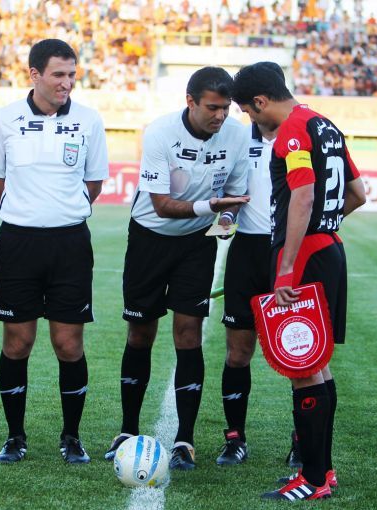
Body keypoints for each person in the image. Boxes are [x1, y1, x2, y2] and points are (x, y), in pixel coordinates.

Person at [104, 66, 251, 471]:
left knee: (189, 334)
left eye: (225, 108)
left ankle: (185, 439)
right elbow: (161, 205)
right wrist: (212, 207)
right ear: (190, 102)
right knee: (141, 331)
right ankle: (127, 430)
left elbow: (235, 196)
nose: (220, 116)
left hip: (196, 244)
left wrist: (224, 221)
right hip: (149, 236)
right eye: (212, 107)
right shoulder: (160, 133)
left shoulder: (237, 135)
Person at [232, 62, 366, 501]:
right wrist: (325, 226)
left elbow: (303, 195)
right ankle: (322, 471)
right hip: (329, 248)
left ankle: (311, 478)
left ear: (260, 101)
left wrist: (287, 266)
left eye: (249, 113)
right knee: (318, 365)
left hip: (305, 256)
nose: (253, 121)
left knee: (303, 367)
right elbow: (358, 194)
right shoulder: (325, 125)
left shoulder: (292, 131)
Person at [0, 38, 109, 464]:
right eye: (58, 74)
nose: (66, 83)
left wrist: (62, 210)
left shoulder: (89, 120)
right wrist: (26, 211)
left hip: (70, 243)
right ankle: (15, 437)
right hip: (18, 243)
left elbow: (94, 182)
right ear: (34, 74)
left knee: (68, 344)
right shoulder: (4, 119)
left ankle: (71, 437)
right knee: (17, 342)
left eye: (72, 75)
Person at [216, 61, 302, 468]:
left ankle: (303, 439)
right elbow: (230, 195)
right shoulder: (236, 136)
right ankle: (235, 438)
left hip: (289, 252)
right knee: (238, 352)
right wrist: (225, 219)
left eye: (246, 106)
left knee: (300, 352)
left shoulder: (301, 133)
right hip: (247, 250)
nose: (244, 114)